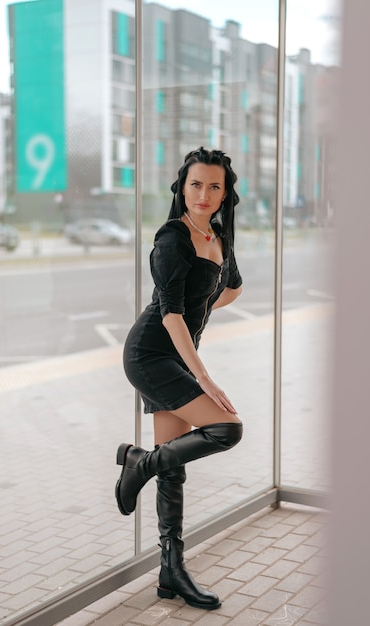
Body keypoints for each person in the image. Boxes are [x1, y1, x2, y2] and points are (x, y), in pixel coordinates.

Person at [115, 147, 244, 610]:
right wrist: (204, 377)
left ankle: (171, 571)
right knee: (227, 428)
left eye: (214, 186)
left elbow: (230, 288)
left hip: (173, 356)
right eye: (195, 184)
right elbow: (171, 317)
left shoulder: (217, 237)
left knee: (174, 467)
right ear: (181, 188)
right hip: (151, 353)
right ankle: (138, 463)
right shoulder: (174, 237)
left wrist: (204, 303)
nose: (204, 194)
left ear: (225, 192)